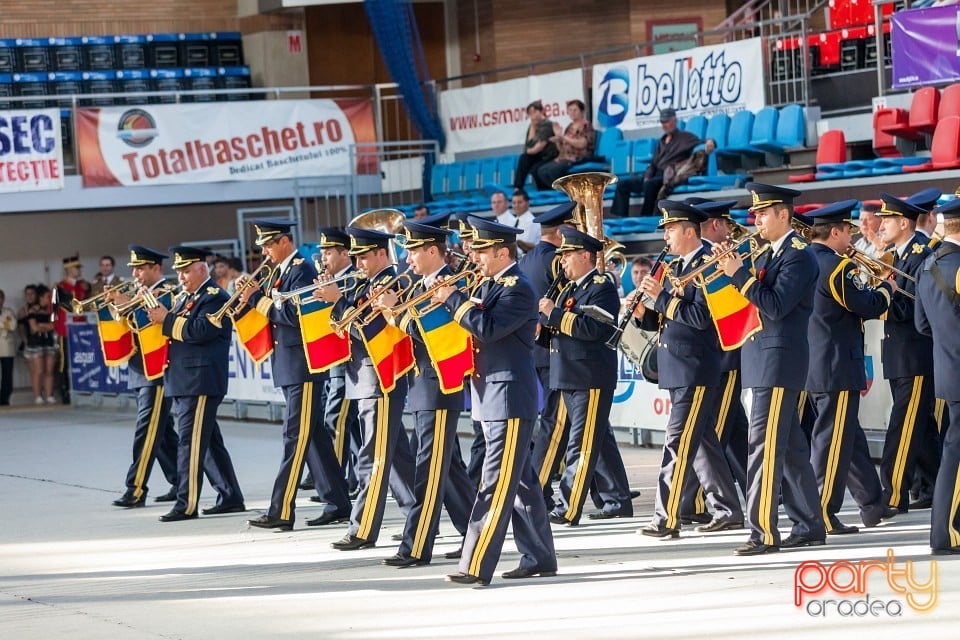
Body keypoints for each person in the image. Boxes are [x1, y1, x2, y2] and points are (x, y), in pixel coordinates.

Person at [433, 216, 557, 585]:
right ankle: (540, 556)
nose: (476, 256)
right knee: (520, 483)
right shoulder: (493, 286)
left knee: (494, 483)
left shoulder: (517, 287)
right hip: (493, 395)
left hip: (508, 397)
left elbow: (487, 328)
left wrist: (453, 299)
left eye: (483, 250)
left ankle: (475, 563)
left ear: (503, 251)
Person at [716, 183, 826, 555]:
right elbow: (748, 302)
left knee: (761, 449)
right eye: (756, 214)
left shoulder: (799, 255)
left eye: (763, 213)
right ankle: (810, 523)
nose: (756, 220)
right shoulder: (767, 253)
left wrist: (738, 274)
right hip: (762, 359)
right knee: (791, 448)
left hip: (779, 361)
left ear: (784, 214)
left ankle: (761, 530)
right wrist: (731, 270)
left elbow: (776, 306)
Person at [633, 201, 743, 539]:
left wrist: (662, 297)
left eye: (670, 229)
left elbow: (701, 318)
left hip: (696, 367)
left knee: (677, 443)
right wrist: (643, 314)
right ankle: (727, 509)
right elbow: (670, 319)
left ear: (689, 231)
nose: (665, 236)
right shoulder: (677, 265)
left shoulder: (709, 264)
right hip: (680, 366)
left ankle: (666, 517)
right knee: (704, 442)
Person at [374, 220, 476, 568]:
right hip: (423, 384)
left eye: (414, 250)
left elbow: (429, 332)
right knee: (448, 471)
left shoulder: (451, 284)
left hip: (439, 385)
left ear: (433, 250)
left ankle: (415, 546)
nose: (408, 257)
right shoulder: (420, 284)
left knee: (428, 469)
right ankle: (472, 534)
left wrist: (393, 314)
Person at [239, 219, 351, 531]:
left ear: (285, 241)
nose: (264, 250)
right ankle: (338, 502)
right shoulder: (282, 270)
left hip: (303, 365)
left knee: (294, 436)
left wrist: (257, 300)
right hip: (290, 364)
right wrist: (253, 295)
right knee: (313, 436)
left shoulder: (301, 269)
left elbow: (296, 314)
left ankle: (281, 509)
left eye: (268, 244)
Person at [316, 226, 416, 550]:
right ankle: (420, 518)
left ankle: (362, 529)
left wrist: (339, 301)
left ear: (381, 254)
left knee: (372, 456)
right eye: (355, 256)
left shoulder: (392, 283)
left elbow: (370, 330)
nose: (357, 262)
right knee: (397, 457)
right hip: (365, 379)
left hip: (381, 378)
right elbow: (346, 329)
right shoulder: (368, 284)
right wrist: (336, 303)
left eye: (362, 256)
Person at [802, 201, 898, 534]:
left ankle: (872, 505)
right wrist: (886, 288)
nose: (851, 241)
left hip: (817, 362)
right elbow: (866, 305)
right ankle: (823, 512)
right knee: (831, 443)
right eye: (848, 233)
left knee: (849, 438)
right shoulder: (837, 267)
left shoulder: (805, 259)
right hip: (837, 364)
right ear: (837, 231)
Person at [146, 246, 245, 522]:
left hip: (199, 381)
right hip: (184, 379)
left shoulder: (214, 297)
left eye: (187, 271)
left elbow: (201, 331)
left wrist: (167, 319)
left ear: (202, 269)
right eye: (179, 271)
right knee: (209, 442)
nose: (181, 277)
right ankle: (230, 496)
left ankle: (186, 503)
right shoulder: (186, 297)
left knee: (189, 443)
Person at [538, 226, 629, 526]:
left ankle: (568, 506)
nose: (562, 262)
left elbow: (594, 329)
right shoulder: (569, 288)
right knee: (598, 440)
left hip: (589, 375)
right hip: (568, 373)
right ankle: (617, 499)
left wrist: (554, 315)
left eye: (567, 256)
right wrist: (541, 328)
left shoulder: (601, 285)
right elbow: (559, 329)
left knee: (582, 444)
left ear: (586, 256)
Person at [676, 199, 750, 525]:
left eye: (705, 225)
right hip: (714, 356)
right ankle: (765, 490)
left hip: (726, 357)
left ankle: (694, 501)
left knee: (712, 433)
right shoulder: (696, 261)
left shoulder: (716, 258)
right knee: (731, 433)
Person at [874, 192, 935, 515]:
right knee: (922, 426)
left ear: (903, 222)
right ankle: (933, 484)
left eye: (887, 219)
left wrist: (883, 295)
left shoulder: (920, 255)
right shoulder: (896, 256)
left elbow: (916, 308)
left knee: (903, 426)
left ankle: (894, 492)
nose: (881, 225)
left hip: (914, 354)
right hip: (899, 353)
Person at [107, 246, 180, 508]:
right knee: (162, 433)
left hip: (157, 369)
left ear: (155, 268)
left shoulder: (168, 290)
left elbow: (155, 324)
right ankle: (180, 481)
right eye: (134, 269)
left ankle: (135, 488)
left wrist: (128, 306)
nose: (135, 273)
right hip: (139, 368)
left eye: (140, 268)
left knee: (146, 430)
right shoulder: (138, 292)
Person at [914, 197, 960, 554]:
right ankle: (946, 533)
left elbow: (922, 324)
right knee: (956, 456)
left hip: (948, 370)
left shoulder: (927, 264)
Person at [309, 227, 362, 499]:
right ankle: (355, 481)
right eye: (322, 252)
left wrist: (333, 297)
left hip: (349, 362)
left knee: (336, 419)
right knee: (352, 427)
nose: (323, 256)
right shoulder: (330, 280)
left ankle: (336, 484)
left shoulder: (354, 280)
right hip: (334, 362)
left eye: (329, 251)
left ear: (345, 253)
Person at [609, 108, 700, 218]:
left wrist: (711, 142)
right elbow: (653, 163)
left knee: (650, 185)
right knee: (623, 184)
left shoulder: (685, 137)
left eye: (666, 121)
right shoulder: (661, 141)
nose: (664, 125)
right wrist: (647, 175)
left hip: (668, 175)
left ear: (674, 121)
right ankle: (621, 218)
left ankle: (646, 216)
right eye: (662, 122)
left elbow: (702, 143)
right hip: (653, 175)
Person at [534, 100, 595, 191]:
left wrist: (563, 137)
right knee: (541, 171)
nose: (572, 113)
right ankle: (556, 192)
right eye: (570, 110)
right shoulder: (569, 127)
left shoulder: (586, 125)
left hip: (579, 157)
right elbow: (561, 150)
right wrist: (558, 140)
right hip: (566, 157)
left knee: (553, 171)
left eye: (575, 110)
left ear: (582, 111)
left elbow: (582, 144)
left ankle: (566, 191)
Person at [54, 254, 91, 405]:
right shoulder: (61, 288)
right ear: (68, 269)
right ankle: (65, 391)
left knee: (84, 360)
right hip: (66, 331)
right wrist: (58, 329)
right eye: (76, 268)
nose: (78, 270)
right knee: (65, 362)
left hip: (82, 330)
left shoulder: (82, 286)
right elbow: (54, 311)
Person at [513, 100, 561, 190]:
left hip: (549, 156)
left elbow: (537, 146)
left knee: (536, 168)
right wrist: (532, 127)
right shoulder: (533, 126)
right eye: (530, 114)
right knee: (524, 158)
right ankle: (518, 187)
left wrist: (530, 149)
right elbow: (528, 146)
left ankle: (544, 190)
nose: (532, 116)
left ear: (541, 111)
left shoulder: (547, 125)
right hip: (538, 156)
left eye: (534, 112)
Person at [25, 285, 57, 405]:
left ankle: (49, 395)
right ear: (40, 297)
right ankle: (38, 395)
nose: (48, 299)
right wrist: (45, 327)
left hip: (49, 342)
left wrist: (43, 326)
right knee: (39, 370)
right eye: (46, 297)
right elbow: (34, 328)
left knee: (49, 370)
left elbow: (54, 325)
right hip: (35, 343)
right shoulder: (32, 310)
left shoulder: (51, 310)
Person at [0, 290, 17, 406]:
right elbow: (7, 325)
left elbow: (13, 325)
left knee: (7, 373)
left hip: (6, 346)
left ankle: (4, 397)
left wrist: (5, 325)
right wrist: (4, 324)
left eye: (0, 298)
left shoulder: (8, 311)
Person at [511, 189, 541, 253]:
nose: (516, 205)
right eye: (514, 203)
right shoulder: (515, 220)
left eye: (519, 202)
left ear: (527, 203)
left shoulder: (532, 222)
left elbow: (524, 248)